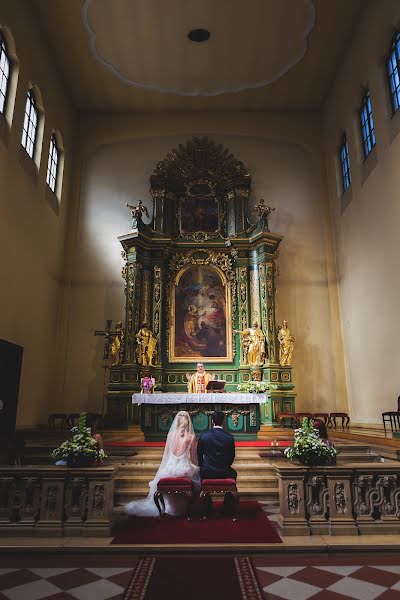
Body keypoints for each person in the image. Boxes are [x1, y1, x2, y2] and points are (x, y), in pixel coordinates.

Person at [125, 411, 200, 517]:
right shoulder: (191, 437)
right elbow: (192, 459)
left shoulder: (170, 435)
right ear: (189, 423)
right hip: (184, 469)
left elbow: (167, 455)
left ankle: (168, 508)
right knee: (196, 479)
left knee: (165, 480)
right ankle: (183, 508)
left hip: (170, 468)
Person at [197, 410, 236, 481]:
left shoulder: (204, 436)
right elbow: (232, 456)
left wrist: (202, 466)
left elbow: (199, 454)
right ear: (223, 421)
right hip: (224, 471)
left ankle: (205, 491)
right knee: (234, 473)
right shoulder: (229, 437)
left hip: (207, 471)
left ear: (212, 421)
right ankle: (228, 491)